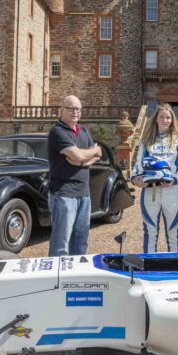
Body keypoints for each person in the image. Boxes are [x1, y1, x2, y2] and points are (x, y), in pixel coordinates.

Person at [130, 105, 178, 253]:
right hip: (151, 192)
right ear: (156, 119)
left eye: (168, 117)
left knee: (173, 232)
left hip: (171, 191)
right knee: (150, 232)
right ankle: (149, 266)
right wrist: (135, 179)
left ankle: (174, 268)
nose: (165, 120)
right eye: (162, 117)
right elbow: (138, 166)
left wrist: (175, 180)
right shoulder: (145, 140)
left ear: (172, 120)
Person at [47, 95, 102, 256]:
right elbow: (79, 155)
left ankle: (75, 277)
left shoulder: (83, 131)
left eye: (78, 109)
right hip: (64, 194)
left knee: (80, 242)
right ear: (62, 110)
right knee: (60, 244)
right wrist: (84, 155)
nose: (75, 112)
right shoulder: (57, 131)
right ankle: (56, 279)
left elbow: (97, 154)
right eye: (71, 108)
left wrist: (82, 160)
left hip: (84, 194)